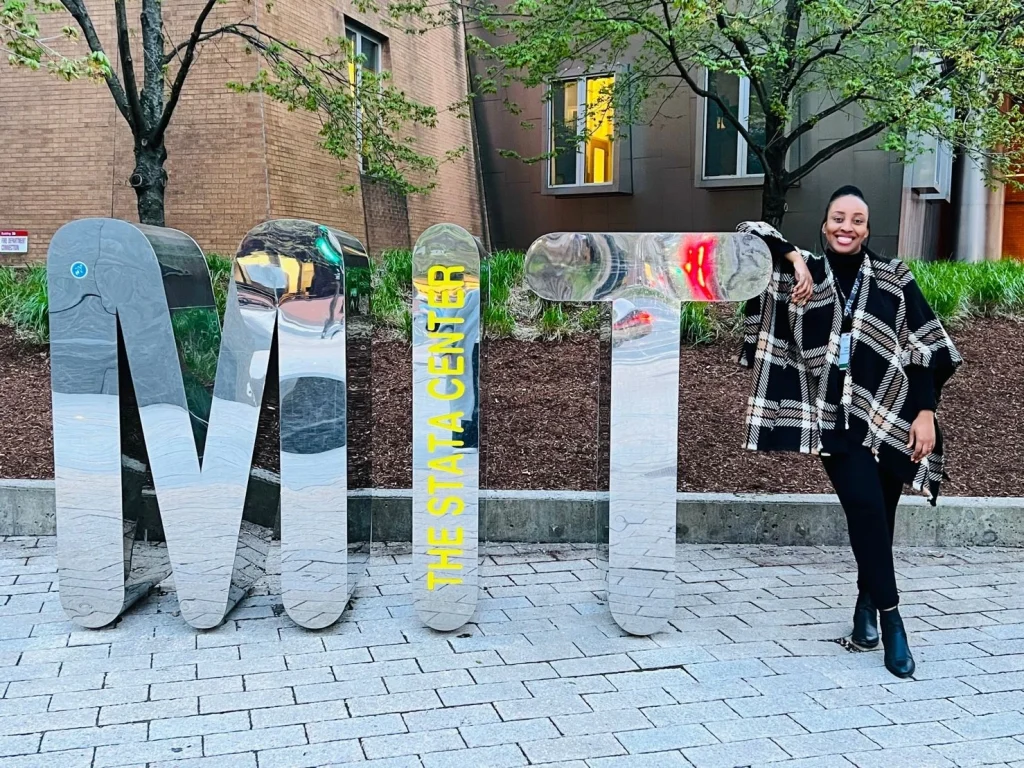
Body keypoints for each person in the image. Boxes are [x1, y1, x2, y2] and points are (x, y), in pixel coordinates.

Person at [737, 185, 963, 678]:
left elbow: (924, 347)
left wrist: (926, 413)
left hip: (894, 419)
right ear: (824, 224)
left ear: (867, 229)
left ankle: (863, 617)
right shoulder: (800, 274)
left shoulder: (893, 277)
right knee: (865, 509)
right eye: (838, 217)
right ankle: (892, 620)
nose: (847, 226)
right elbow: (748, 234)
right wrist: (792, 257)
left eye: (857, 219)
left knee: (879, 520)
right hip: (834, 423)